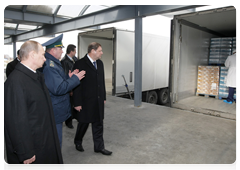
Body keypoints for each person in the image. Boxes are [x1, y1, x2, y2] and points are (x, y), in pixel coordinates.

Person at [4, 40, 64, 170]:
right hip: (33, 147)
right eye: (42, 55)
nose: (45, 58)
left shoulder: (34, 76)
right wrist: (25, 151)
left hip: (42, 140)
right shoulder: (16, 82)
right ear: (32, 55)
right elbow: (16, 121)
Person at [41, 34, 86, 148]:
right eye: (60, 48)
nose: (62, 51)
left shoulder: (54, 62)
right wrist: (75, 79)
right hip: (54, 109)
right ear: (52, 50)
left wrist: (69, 77)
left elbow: (58, 82)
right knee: (56, 142)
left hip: (56, 108)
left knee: (56, 140)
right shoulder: (49, 66)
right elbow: (59, 88)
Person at [73, 42, 112, 156]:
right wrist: (77, 103)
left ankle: (99, 147)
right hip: (85, 101)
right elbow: (76, 85)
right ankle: (78, 141)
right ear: (93, 51)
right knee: (83, 123)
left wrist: (103, 97)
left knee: (98, 123)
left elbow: (102, 82)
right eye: (100, 50)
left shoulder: (100, 63)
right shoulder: (80, 63)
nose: (102, 53)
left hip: (98, 100)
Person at [61, 44, 78, 129]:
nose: (76, 52)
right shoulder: (65, 61)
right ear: (71, 51)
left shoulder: (74, 59)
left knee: (75, 103)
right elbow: (65, 76)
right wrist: (69, 89)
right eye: (75, 51)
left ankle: (75, 117)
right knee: (69, 105)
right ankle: (68, 122)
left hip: (75, 84)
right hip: (70, 86)